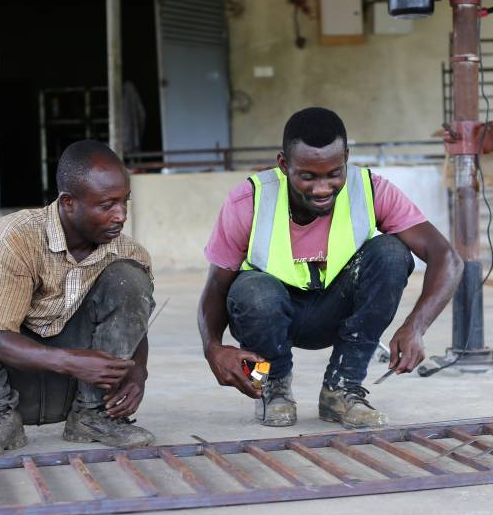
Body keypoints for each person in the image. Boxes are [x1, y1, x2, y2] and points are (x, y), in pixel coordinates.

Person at [198, 107, 462, 429]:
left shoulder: (370, 189)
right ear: (284, 164)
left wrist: (416, 326)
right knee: (252, 290)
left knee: (391, 253)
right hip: (270, 314)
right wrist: (212, 348)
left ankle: (343, 387)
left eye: (334, 173)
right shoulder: (249, 200)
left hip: (336, 311)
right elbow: (216, 287)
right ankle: (270, 386)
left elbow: (446, 258)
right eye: (307, 176)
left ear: (347, 158)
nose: (322, 188)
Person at [0, 140, 156, 457]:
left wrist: (138, 371)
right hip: (11, 378)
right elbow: (0, 340)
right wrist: (73, 362)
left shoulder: (128, 252)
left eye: (124, 202)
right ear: (68, 203)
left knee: (129, 275)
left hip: (82, 387)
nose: (121, 216)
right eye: (107, 205)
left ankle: (93, 417)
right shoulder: (16, 238)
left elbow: (136, 326)